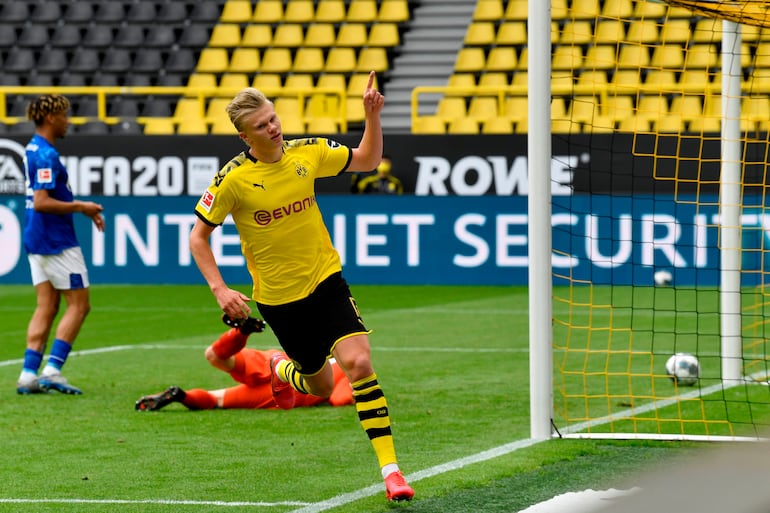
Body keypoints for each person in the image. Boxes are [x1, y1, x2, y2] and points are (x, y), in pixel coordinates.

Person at [189, 71, 414, 502]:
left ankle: (392, 472)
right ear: (244, 136)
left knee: (359, 363)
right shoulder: (232, 179)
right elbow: (197, 236)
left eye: (273, 118)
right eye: (262, 125)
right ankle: (280, 370)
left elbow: (366, 160)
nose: (273, 127)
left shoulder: (308, 152)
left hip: (325, 280)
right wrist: (220, 289)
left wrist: (371, 116)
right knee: (321, 387)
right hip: (279, 301)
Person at [17, 94, 105, 395]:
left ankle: (29, 374)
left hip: (36, 237)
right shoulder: (45, 155)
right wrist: (82, 206)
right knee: (79, 305)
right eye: (65, 116)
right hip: (55, 241)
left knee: (48, 305)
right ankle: (52, 370)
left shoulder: (33, 148)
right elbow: (42, 202)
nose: (68, 121)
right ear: (51, 117)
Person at [134, 315, 354, 411]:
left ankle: (241, 332)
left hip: (277, 362)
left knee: (214, 356)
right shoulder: (348, 371)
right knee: (216, 399)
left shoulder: (330, 358)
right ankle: (183, 396)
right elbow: (339, 399)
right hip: (286, 392)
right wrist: (358, 393)